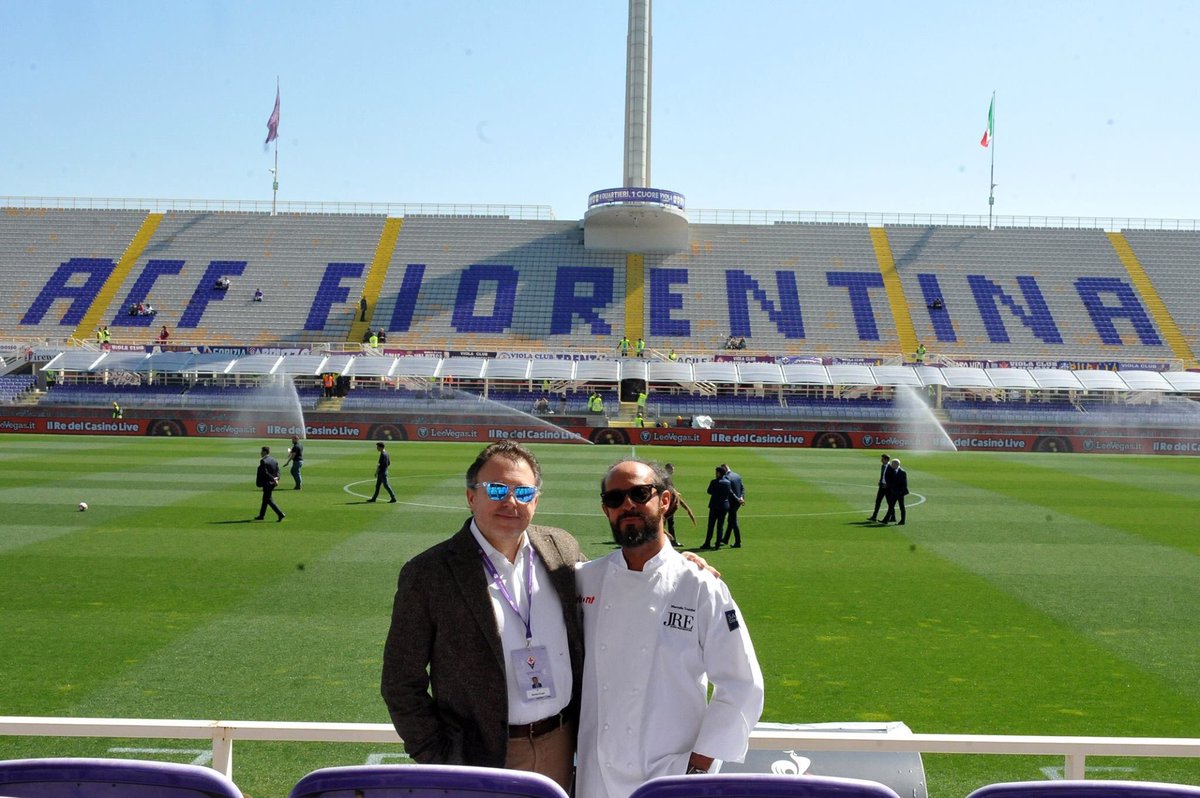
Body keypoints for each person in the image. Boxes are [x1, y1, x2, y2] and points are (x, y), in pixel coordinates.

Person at [381, 440, 584, 790]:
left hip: (564, 743)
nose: (510, 501)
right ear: (471, 497)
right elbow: (400, 682)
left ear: (536, 499)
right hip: (482, 757)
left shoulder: (561, 547)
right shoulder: (429, 573)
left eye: (523, 491)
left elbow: (616, 584)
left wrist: (676, 563)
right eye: (496, 489)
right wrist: (439, 756)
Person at [576, 458, 764, 798]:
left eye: (640, 493)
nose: (627, 504)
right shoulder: (584, 580)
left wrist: (696, 767)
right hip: (596, 774)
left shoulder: (700, 585)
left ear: (664, 500)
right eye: (615, 499)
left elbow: (742, 683)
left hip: (673, 777)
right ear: (606, 510)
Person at [663, 462, 696, 547]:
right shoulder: (664, 478)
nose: (673, 471)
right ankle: (668, 541)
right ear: (668, 469)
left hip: (670, 503)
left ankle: (672, 541)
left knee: (670, 522)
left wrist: (675, 492)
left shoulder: (666, 477)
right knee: (665, 522)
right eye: (672, 469)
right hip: (666, 504)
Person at [702, 465, 733, 549]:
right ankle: (717, 544)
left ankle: (707, 543)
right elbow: (730, 493)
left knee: (711, 525)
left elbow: (709, 491)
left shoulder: (714, 482)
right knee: (720, 526)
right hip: (724, 506)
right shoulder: (728, 482)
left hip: (715, 505)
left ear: (719, 473)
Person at [255, 446, 285, 522]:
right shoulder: (274, 460)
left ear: (265, 452)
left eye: (261, 451)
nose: (260, 453)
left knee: (268, 500)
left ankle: (280, 514)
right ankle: (261, 515)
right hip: (273, 483)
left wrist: (272, 479)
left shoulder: (263, 461)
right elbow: (278, 471)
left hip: (267, 483)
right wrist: (276, 478)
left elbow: (265, 473)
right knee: (265, 499)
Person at [719, 463, 745, 548]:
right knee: (731, 520)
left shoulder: (727, 477)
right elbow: (742, 488)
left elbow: (730, 492)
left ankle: (738, 542)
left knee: (733, 521)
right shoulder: (737, 475)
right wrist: (741, 497)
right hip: (738, 502)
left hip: (732, 502)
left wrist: (737, 498)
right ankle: (726, 539)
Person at [881, 458, 909, 525]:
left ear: (896, 464)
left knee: (901, 507)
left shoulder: (902, 472)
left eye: (893, 464)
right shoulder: (892, 471)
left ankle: (902, 521)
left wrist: (900, 492)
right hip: (894, 492)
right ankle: (885, 520)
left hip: (900, 493)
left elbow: (904, 484)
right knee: (891, 506)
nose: (891, 465)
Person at [867, 452, 891, 522]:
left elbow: (892, 478)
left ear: (886, 460)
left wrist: (887, 485)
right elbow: (882, 475)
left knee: (890, 503)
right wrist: (880, 481)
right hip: (881, 487)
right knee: (878, 501)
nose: (881, 460)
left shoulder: (890, 467)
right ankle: (874, 516)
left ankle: (893, 517)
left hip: (887, 488)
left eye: (882, 459)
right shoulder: (883, 466)